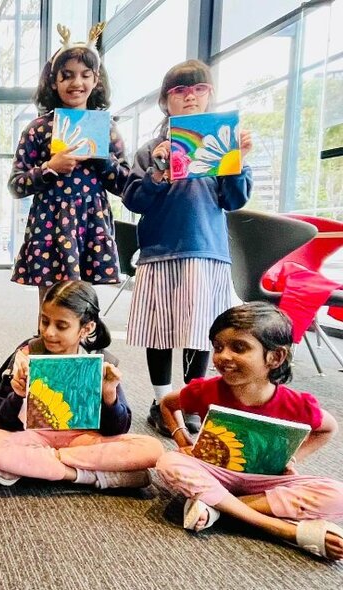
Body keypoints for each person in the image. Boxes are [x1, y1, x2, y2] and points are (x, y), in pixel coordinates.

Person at [122, 59, 253, 437]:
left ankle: (192, 401)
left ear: (210, 96)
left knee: (201, 330)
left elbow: (235, 199)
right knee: (158, 328)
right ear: (166, 102)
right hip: (160, 252)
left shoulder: (222, 145)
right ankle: (164, 401)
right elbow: (135, 200)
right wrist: (159, 169)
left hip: (206, 251)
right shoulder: (151, 149)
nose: (190, 97)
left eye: (198, 89)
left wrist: (237, 162)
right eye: (179, 91)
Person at [156, 302, 343, 561]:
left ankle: (218, 509)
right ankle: (280, 527)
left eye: (239, 348)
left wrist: (293, 459)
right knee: (169, 461)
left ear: (275, 357)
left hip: (265, 480)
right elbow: (167, 404)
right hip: (214, 472)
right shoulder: (206, 390)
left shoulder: (296, 404)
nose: (223, 356)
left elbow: (327, 429)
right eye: (218, 347)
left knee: (337, 495)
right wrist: (181, 438)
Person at [0, 280, 163, 489]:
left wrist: (109, 394)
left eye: (61, 326)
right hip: (33, 438)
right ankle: (88, 476)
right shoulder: (28, 353)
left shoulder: (100, 361)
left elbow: (117, 429)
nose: (49, 332)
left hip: (83, 440)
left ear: (86, 328)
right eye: (44, 322)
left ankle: (37, 465)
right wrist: (17, 395)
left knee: (152, 448)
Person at [8, 24, 128, 306]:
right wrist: (50, 166)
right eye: (67, 76)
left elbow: (124, 183)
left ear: (96, 80)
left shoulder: (107, 128)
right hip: (49, 224)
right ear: (53, 82)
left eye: (85, 75)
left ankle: (80, 349)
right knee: (50, 303)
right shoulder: (38, 129)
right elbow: (16, 184)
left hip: (89, 223)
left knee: (81, 306)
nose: (77, 83)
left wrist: (101, 159)